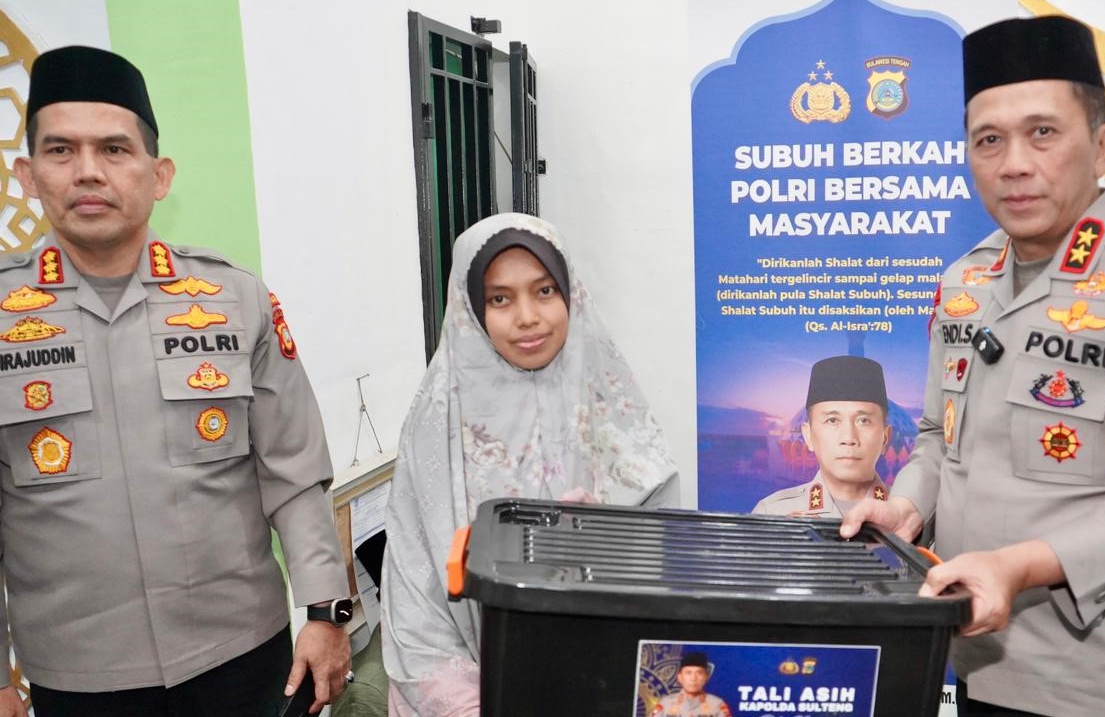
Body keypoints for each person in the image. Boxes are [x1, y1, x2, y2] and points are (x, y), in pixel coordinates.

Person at [840, 15, 1105, 717]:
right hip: (975, 662)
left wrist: (1018, 566)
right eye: (988, 140)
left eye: (1043, 132)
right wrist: (908, 504)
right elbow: (939, 438)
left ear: (1103, 146)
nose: (1014, 164)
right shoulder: (963, 283)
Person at [3, 45, 353, 716]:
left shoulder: (234, 298)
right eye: (61, 150)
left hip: (241, 656)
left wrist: (325, 611)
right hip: (79, 677)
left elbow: (294, 473)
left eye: (114, 149)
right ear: (27, 174)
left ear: (159, 175)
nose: (88, 171)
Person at [381, 213, 679, 716]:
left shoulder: (613, 406)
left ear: (570, 293)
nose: (527, 317)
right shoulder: (437, 422)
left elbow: (662, 575)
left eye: (544, 291)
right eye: (500, 299)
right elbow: (415, 597)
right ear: (470, 309)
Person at [753, 356, 890, 517]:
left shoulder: (911, 514)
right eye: (832, 420)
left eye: (863, 421)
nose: (848, 438)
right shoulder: (772, 512)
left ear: (885, 438)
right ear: (808, 436)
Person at [651, 652, 732, 717]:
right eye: (688, 673)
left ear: (706, 677)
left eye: (699, 673)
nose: (693, 678)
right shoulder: (665, 704)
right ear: (679, 677)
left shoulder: (717, 705)